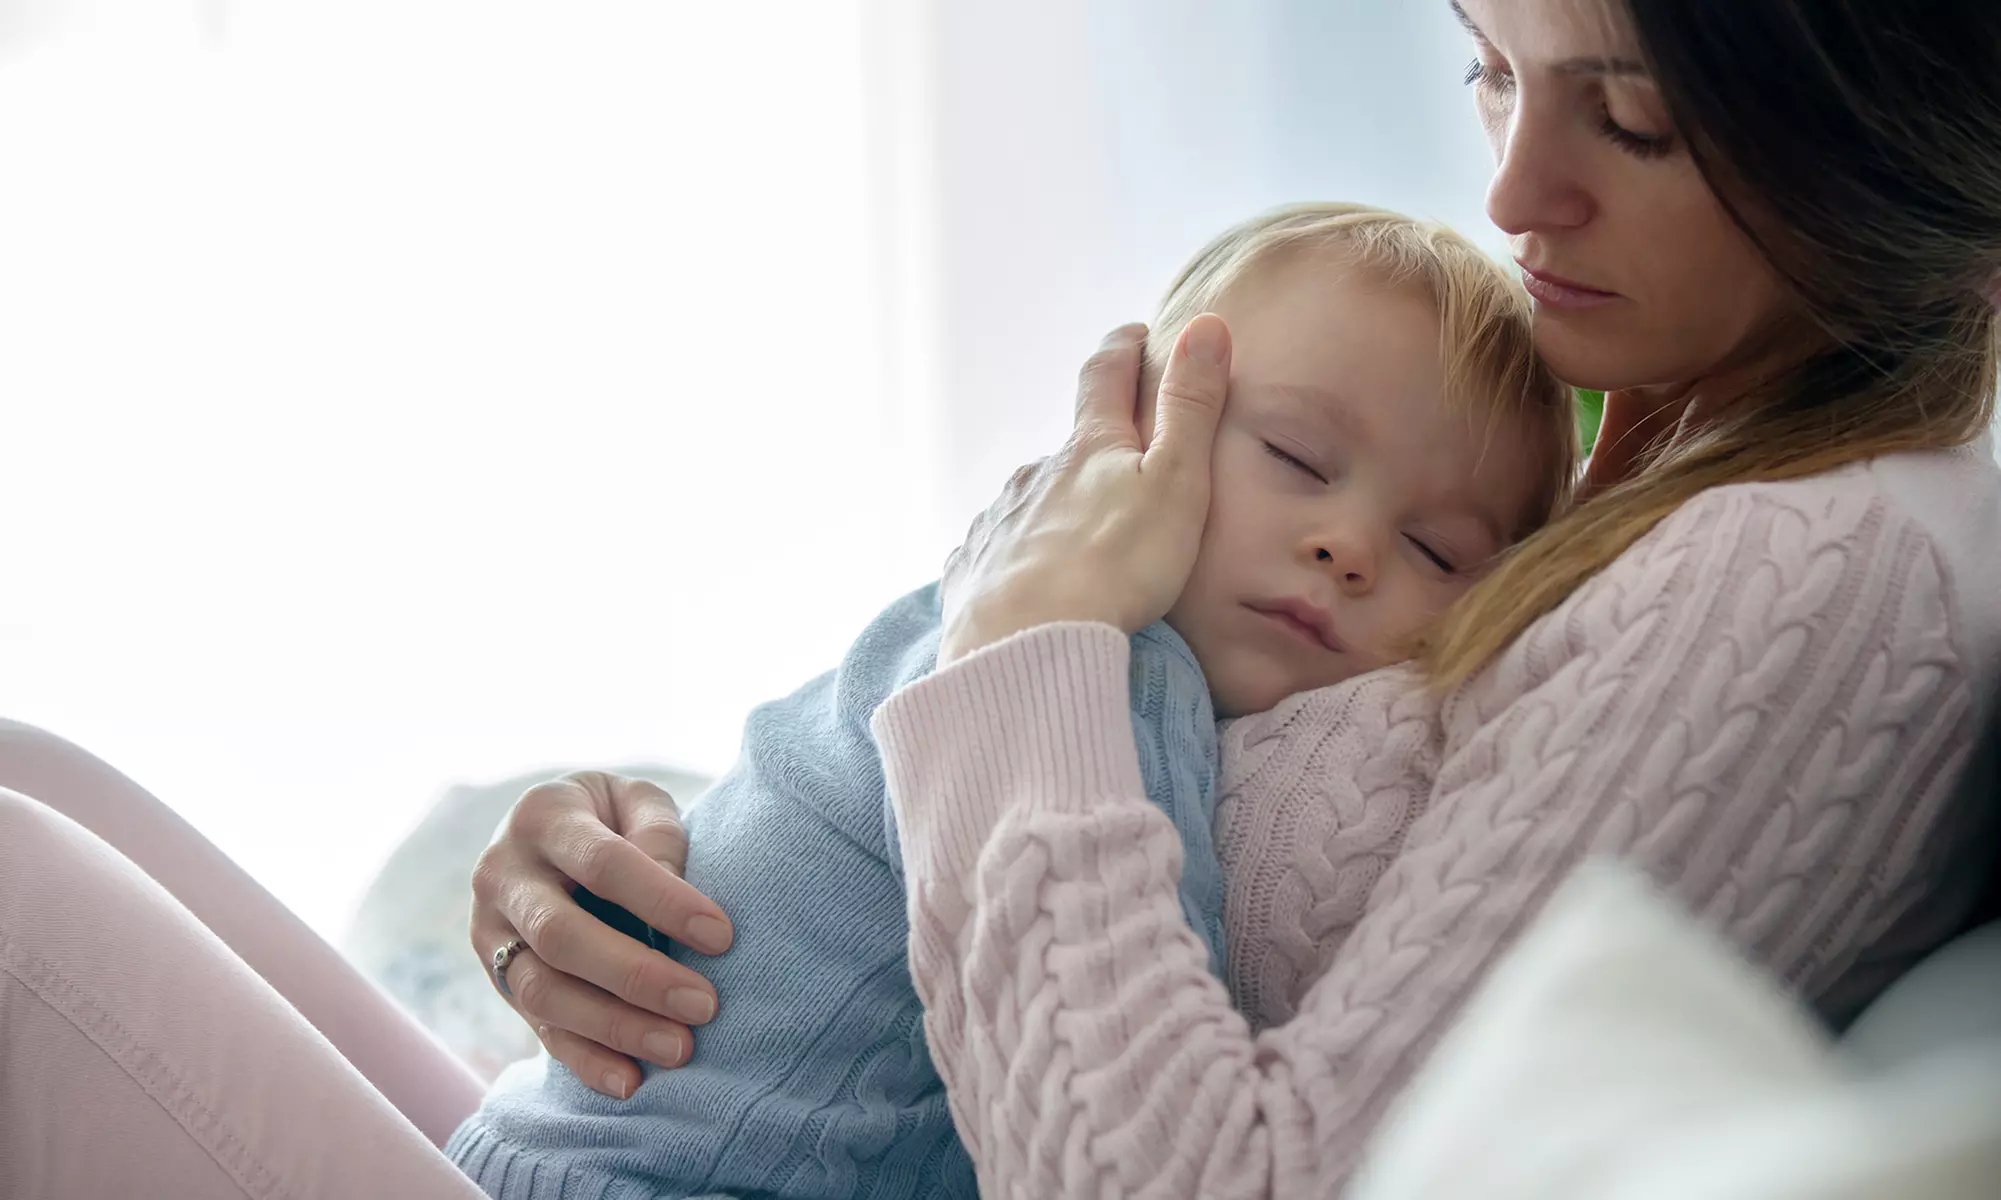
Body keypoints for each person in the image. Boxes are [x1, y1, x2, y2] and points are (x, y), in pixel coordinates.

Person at [475, 0, 2001, 1195]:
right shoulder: (1629, 437)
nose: (1513, 191)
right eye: (1489, 65)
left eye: (1635, 121)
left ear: (1892, 131)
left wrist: (1026, 645)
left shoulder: (1805, 576)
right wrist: (666, 864)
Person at [444, 202, 1577, 1199]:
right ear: (1132, 429)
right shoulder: (1097, 676)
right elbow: (1142, 1042)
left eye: (1436, 548)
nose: (1349, 546)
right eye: (1293, 454)